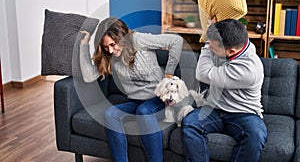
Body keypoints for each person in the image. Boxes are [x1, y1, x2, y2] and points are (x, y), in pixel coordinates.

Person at [79, 17, 183, 162]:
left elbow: (176, 41)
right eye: (105, 47)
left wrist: (168, 73)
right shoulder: (109, 55)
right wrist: (84, 45)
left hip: (158, 99)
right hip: (135, 101)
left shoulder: (138, 40)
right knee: (110, 114)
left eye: (113, 44)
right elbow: (89, 76)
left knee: (144, 111)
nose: (110, 50)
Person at [181, 19, 268, 162]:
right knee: (190, 124)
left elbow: (202, 73)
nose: (209, 49)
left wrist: (207, 44)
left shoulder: (249, 70)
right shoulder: (232, 43)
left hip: (243, 114)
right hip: (214, 109)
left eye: (213, 48)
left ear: (232, 51)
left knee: (256, 136)